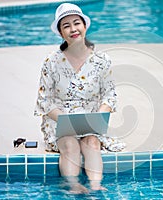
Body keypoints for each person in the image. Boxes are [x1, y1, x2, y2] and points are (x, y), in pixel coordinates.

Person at [34, 3, 117, 193]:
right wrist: (63, 120)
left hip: (89, 118)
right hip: (59, 120)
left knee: (92, 142)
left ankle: (96, 188)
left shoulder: (102, 60)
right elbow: (44, 100)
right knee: (70, 143)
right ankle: (73, 186)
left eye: (76, 23)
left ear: (84, 26)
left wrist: (98, 117)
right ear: (61, 33)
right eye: (66, 26)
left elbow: (110, 95)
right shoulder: (51, 61)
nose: (73, 29)